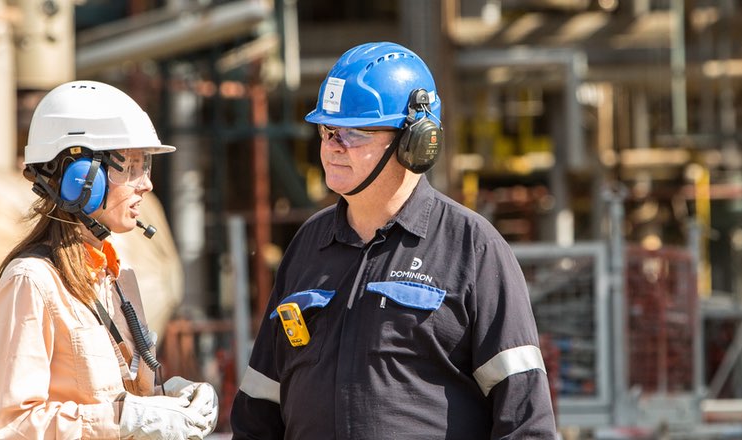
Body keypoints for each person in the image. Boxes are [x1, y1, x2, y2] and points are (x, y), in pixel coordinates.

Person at [231, 42, 559, 439]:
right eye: (326, 130)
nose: (332, 146)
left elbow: (526, 421)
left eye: (354, 132)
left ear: (415, 142)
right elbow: (259, 407)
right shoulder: (307, 246)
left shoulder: (473, 249)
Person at [0, 80, 218, 439]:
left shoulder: (117, 279)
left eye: (146, 164)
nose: (147, 184)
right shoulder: (31, 283)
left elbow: (120, 398)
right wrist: (125, 420)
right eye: (132, 166)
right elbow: (8, 426)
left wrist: (175, 398)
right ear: (79, 177)